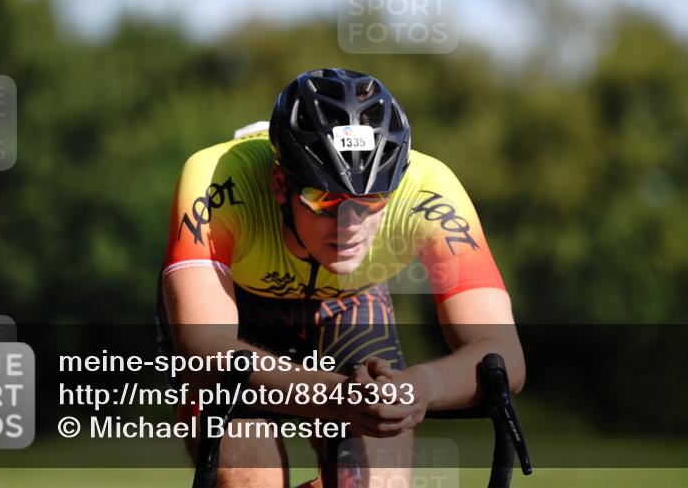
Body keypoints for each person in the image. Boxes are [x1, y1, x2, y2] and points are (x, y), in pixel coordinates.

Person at [157, 68, 524, 487]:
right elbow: (204, 350)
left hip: (349, 305)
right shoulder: (217, 178)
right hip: (238, 310)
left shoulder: (431, 191)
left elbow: (504, 354)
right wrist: (340, 398)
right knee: (249, 481)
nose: (349, 222)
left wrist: (420, 387)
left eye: (371, 200)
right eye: (325, 199)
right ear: (281, 183)